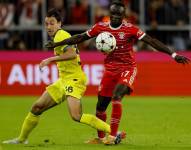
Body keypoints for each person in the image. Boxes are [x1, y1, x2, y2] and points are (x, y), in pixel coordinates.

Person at [45, 0, 190, 145]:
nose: (115, 17)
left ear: (124, 15)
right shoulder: (101, 27)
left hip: (127, 68)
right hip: (110, 71)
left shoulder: (130, 29)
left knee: (117, 96)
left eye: (118, 14)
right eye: (113, 13)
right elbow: (81, 37)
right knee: (100, 107)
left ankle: (113, 137)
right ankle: (101, 138)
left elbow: (151, 41)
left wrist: (174, 55)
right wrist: (57, 43)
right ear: (110, 13)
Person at [2, 8, 118, 145]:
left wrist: (49, 60)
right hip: (64, 80)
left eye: (52, 23)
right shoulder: (59, 35)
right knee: (37, 107)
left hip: (74, 80)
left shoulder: (61, 35)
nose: (48, 27)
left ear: (59, 23)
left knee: (76, 116)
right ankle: (22, 139)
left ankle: (114, 133)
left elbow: (72, 54)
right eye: (46, 24)